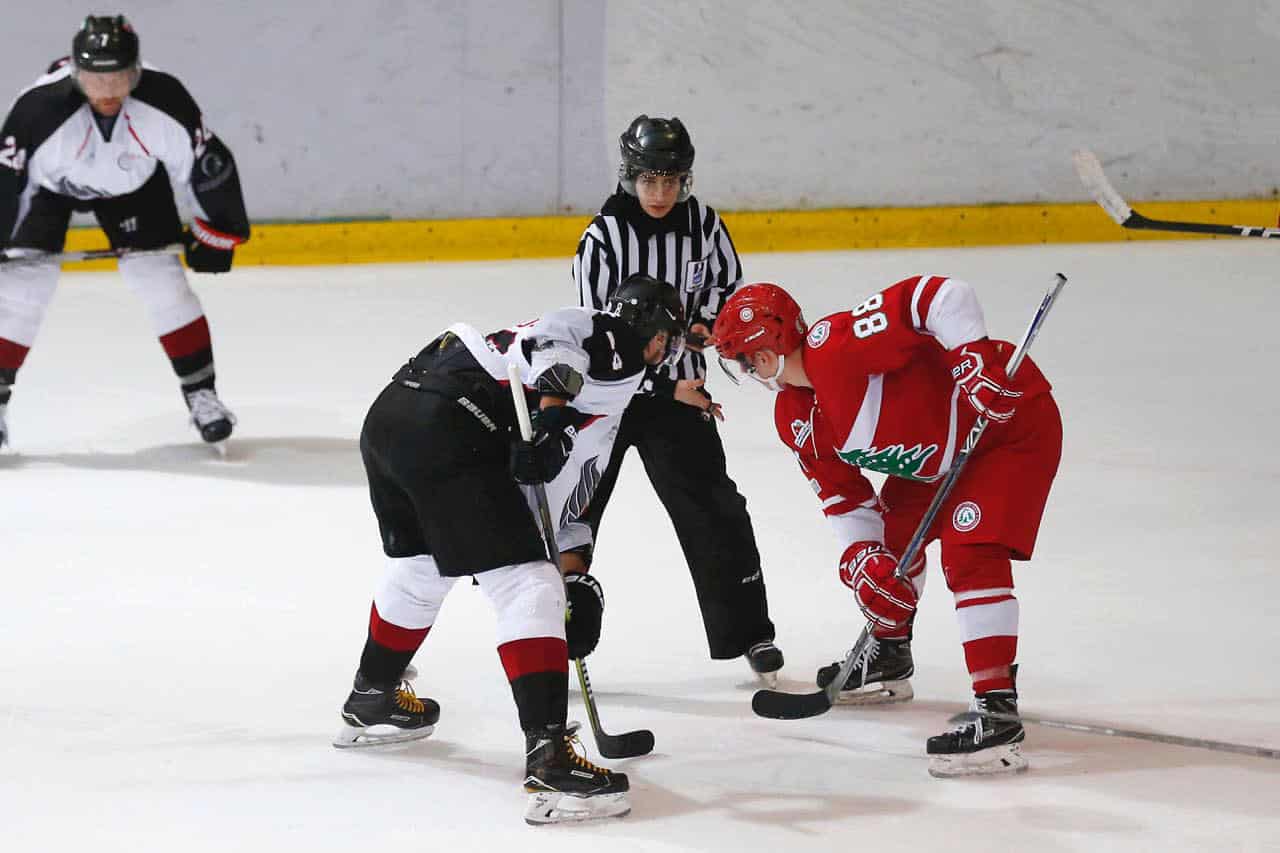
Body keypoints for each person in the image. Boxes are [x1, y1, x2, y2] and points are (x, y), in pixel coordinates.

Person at [333, 276, 687, 824]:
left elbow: (556, 505)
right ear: (659, 337)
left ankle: (372, 697)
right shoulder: (613, 343)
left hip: (397, 414)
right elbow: (560, 333)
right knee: (528, 584)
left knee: (422, 567)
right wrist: (551, 419)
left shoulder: (607, 399)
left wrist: (572, 578)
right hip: (456, 417)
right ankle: (550, 763)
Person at [711, 275, 1062, 778]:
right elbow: (845, 500)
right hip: (938, 457)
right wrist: (862, 560)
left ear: (763, 356)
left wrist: (974, 359)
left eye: (743, 361)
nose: (748, 373)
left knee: (970, 555)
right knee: (889, 555)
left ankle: (998, 713)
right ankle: (889, 656)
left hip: (1007, 424)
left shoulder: (838, 346)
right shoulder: (793, 414)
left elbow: (941, 295)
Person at [571, 114, 783, 684]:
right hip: (609, 399)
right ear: (630, 176)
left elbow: (727, 287)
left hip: (681, 396)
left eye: (671, 180)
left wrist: (709, 322)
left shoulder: (704, 224)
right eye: (649, 179)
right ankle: (552, 633)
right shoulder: (603, 239)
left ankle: (750, 632)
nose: (660, 192)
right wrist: (664, 383)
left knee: (716, 511)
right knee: (574, 517)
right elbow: (600, 335)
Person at [0, 15, 249, 450]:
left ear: (136, 72)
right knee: (23, 288)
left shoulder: (164, 99)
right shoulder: (37, 111)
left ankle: (202, 395)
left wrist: (217, 233)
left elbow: (207, 167)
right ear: (76, 74)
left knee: (161, 281)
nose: (107, 92)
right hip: (48, 191)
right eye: (96, 80)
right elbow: (6, 183)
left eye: (118, 78)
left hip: (134, 189)